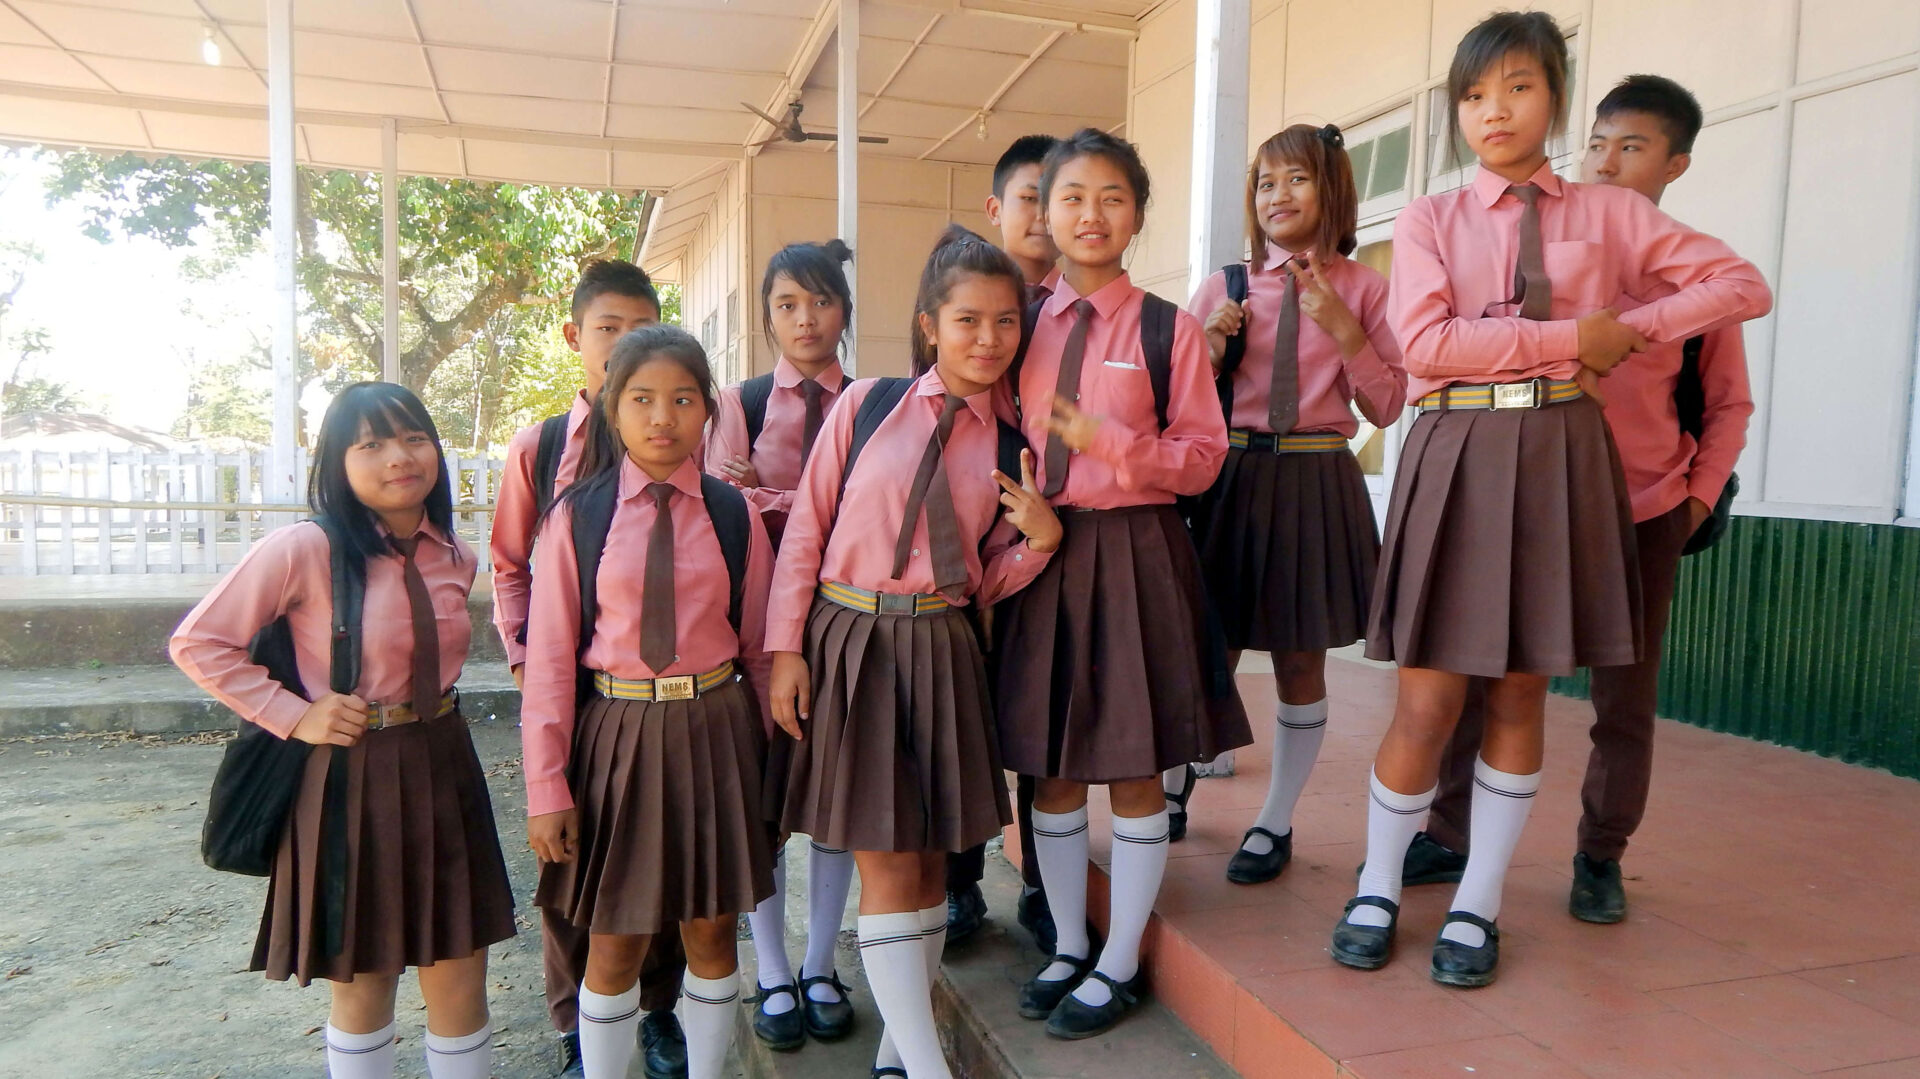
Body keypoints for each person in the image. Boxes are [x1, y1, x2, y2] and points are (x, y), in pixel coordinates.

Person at [1332, 11, 1772, 989]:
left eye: (1520, 87)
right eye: (1477, 94)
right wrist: (1579, 336)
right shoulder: (1430, 219)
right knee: (1430, 691)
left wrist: (1638, 326)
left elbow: (1742, 282)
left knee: (1525, 686)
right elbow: (1429, 348)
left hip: (1563, 453)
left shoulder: (1613, 214)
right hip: (1458, 451)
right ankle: (1375, 879)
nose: (1496, 110)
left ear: (1556, 99)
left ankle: (1480, 900)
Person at [1414, 74, 1755, 927]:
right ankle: (1449, 832)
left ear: (1674, 166)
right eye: (1598, 142)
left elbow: (1728, 407)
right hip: (1537, 494)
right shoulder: (1560, 248)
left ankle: (1601, 852)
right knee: (1480, 666)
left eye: (1631, 147)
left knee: (1624, 698)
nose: (1606, 161)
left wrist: (1697, 501)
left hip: (1640, 506)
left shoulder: (1694, 282)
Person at [769, 224, 1064, 1079]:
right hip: (851, 641)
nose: (988, 339)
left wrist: (1038, 543)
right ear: (931, 323)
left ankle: (900, 1052)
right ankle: (930, 1067)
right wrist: (786, 649)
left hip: (941, 646)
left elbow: (981, 576)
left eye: (1006, 322)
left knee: (932, 855)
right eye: (968, 319)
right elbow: (805, 536)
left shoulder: (1012, 441)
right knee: (885, 853)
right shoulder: (864, 407)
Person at [171, 382, 514, 1079]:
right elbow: (200, 642)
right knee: (363, 979)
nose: (399, 457)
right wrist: (296, 715)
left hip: (443, 763)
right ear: (338, 461)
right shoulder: (304, 548)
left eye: (414, 438)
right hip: (347, 777)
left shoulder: (455, 555)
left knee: (460, 970)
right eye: (373, 443)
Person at [993, 128, 1249, 1039]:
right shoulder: (1016, 322)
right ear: (1044, 212)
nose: (1089, 214)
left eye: (1111, 196)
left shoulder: (1164, 327)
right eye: (1070, 196)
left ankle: (1121, 956)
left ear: (1137, 213)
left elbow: (1205, 459)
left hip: (1137, 555)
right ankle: (1068, 941)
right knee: (1053, 767)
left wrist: (1113, 445)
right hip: (1041, 558)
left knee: (1136, 767)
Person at [520, 326, 779, 1079]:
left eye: (682, 399)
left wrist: (766, 771)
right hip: (618, 735)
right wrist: (547, 787)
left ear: (707, 411)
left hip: (716, 732)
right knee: (615, 938)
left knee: (711, 930)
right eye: (642, 399)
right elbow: (548, 663)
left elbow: (760, 652)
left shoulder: (733, 515)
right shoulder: (578, 516)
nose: (662, 416)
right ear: (612, 408)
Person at [1188, 122, 1406, 886]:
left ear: (1332, 190)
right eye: (1265, 183)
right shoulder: (1223, 286)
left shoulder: (1365, 288)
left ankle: (1274, 820)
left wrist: (1345, 330)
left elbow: (1387, 405)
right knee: (1205, 645)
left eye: (1296, 179)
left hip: (1315, 479)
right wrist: (1209, 350)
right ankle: (1175, 786)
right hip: (1232, 480)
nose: (1277, 196)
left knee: (1299, 659)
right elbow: (1178, 406)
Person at [487, 259, 684, 1078]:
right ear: (576, 337)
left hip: (658, 698)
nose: (626, 346)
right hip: (569, 691)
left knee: (667, 855)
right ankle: (577, 1019)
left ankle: (660, 1010)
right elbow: (508, 565)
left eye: (642, 328)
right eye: (610, 329)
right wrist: (534, 666)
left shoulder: (682, 433)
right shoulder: (539, 450)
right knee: (573, 857)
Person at [705, 240, 862, 1052]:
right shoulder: (742, 399)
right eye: (787, 305)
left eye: (822, 301)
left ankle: (821, 961)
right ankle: (771, 970)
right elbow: (721, 506)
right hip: (759, 627)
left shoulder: (872, 401)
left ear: (845, 308)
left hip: (845, 622)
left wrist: (769, 493)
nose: (806, 320)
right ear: (767, 315)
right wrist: (809, 501)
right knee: (762, 799)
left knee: (832, 791)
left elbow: (868, 503)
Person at [944, 133, 1062, 949]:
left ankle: (1047, 887)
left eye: (1063, 197)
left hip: (1053, 537)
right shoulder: (963, 291)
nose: (1049, 214)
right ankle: (958, 880)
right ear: (997, 208)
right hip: (966, 539)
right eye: (1032, 196)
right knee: (966, 713)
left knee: (1044, 715)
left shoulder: (1076, 310)